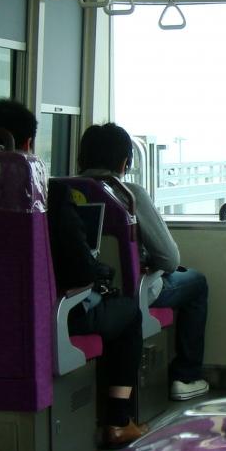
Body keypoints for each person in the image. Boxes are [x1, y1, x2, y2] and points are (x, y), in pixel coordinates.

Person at [0, 100, 148, 448]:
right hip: (50, 314)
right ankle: (118, 420)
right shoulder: (49, 195)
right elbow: (79, 266)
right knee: (128, 312)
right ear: (28, 144)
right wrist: (102, 271)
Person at [76, 123, 210, 401]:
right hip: (135, 290)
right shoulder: (129, 194)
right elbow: (170, 259)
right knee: (196, 282)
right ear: (125, 162)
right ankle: (185, 376)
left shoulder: (63, 191)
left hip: (83, 293)